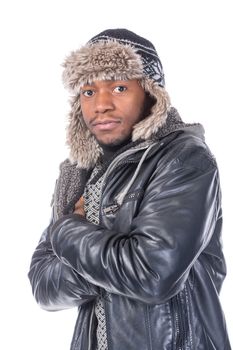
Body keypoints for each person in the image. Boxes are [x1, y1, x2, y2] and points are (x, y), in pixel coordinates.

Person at [28, 28, 231, 350]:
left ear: (151, 93)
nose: (102, 104)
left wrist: (68, 228)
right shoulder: (80, 174)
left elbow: (152, 275)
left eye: (119, 87)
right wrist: (113, 259)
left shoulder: (183, 158)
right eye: (88, 91)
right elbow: (43, 288)